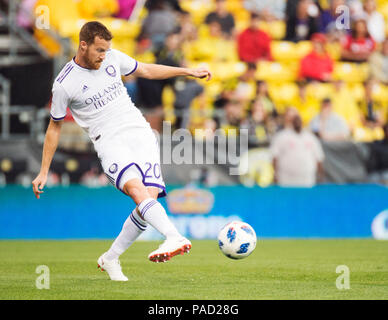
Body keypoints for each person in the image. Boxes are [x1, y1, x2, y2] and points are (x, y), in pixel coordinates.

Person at [31, 21, 211, 281]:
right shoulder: (64, 84)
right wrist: (43, 171)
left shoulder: (113, 58)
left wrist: (189, 71)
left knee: (148, 199)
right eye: (99, 51)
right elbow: (54, 127)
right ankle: (173, 236)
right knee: (138, 192)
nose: (104, 56)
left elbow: (146, 70)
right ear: (83, 45)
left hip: (140, 131)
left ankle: (111, 258)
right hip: (110, 140)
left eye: (106, 50)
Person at [270, 111, 324, 187]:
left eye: (299, 120)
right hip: (286, 178)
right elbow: (274, 156)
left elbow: (319, 158)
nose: (297, 123)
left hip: (306, 178)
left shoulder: (310, 137)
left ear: (302, 122)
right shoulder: (282, 136)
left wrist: (320, 176)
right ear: (291, 122)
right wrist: (275, 174)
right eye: (295, 120)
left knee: (305, 198)